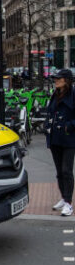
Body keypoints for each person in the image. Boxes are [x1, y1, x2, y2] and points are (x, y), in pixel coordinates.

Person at [45, 68, 75, 216]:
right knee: (59, 172)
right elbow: (50, 111)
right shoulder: (55, 94)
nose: (55, 80)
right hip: (55, 137)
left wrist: (69, 126)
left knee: (66, 171)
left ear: (66, 80)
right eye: (55, 78)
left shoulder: (73, 94)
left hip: (69, 138)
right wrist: (46, 126)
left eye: (58, 78)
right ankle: (64, 197)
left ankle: (69, 203)